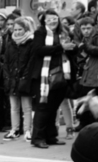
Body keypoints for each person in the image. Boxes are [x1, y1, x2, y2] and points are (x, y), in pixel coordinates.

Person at [30, 9, 77, 149]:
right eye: (49, 19)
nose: (52, 21)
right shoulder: (40, 33)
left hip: (62, 75)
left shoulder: (64, 32)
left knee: (54, 107)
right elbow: (38, 50)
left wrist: (72, 48)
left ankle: (51, 137)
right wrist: (60, 47)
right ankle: (37, 138)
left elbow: (71, 52)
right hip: (45, 77)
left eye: (54, 18)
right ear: (44, 20)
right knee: (43, 107)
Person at [3, 17, 34, 142]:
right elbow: (5, 62)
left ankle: (27, 130)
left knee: (27, 108)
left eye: (20, 29)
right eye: (15, 29)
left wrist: (24, 77)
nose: (17, 32)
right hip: (12, 79)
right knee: (14, 107)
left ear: (26, 29)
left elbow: (31, 63)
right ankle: (14, 130)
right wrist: (8, 77)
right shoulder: (10, 43)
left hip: (25, 79)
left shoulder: (31, 43)